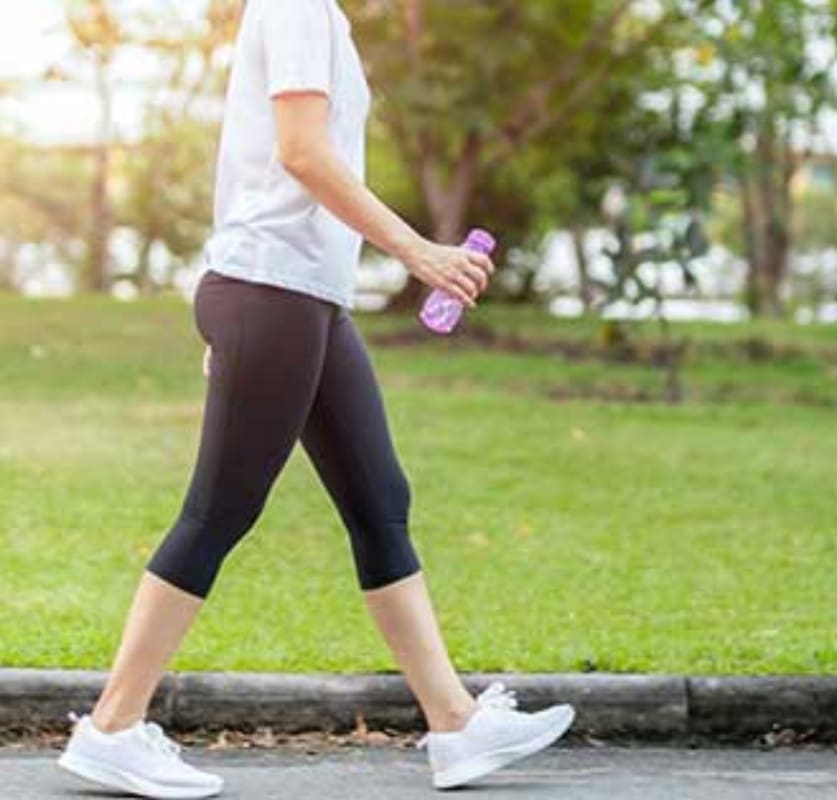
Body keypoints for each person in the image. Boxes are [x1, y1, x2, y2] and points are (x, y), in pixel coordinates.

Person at [55, 0, 575, 796]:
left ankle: (456, 724)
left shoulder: (317, 14)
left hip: (299, 298)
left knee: (379, 500)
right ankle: (112, 726)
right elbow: (300, 154)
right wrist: (418, 252)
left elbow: (263, 161)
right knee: (219, 510)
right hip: (273, 290)